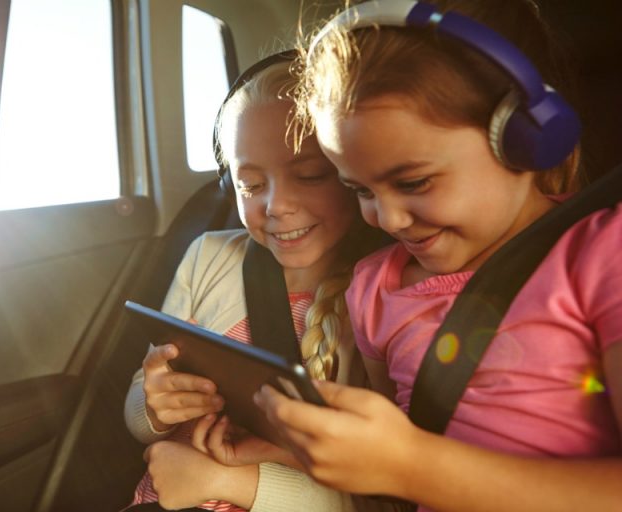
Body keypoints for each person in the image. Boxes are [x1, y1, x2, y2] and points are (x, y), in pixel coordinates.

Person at [254, 1, 622, 511]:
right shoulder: (374, 288)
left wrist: (413, 467)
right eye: (359, 189)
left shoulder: (603, 255)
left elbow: (404, 460)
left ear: (526, 139)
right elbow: (385, 451)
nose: (387, 219)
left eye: (414, 182)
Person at [122, 51, 382, 512]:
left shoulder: (382, 294)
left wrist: (223, 482)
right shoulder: (208, 257)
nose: (276, 205)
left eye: (309, 175)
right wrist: (154, 408)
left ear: (353, 172)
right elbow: (140, 408)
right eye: (251, 185)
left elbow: (377, 498)